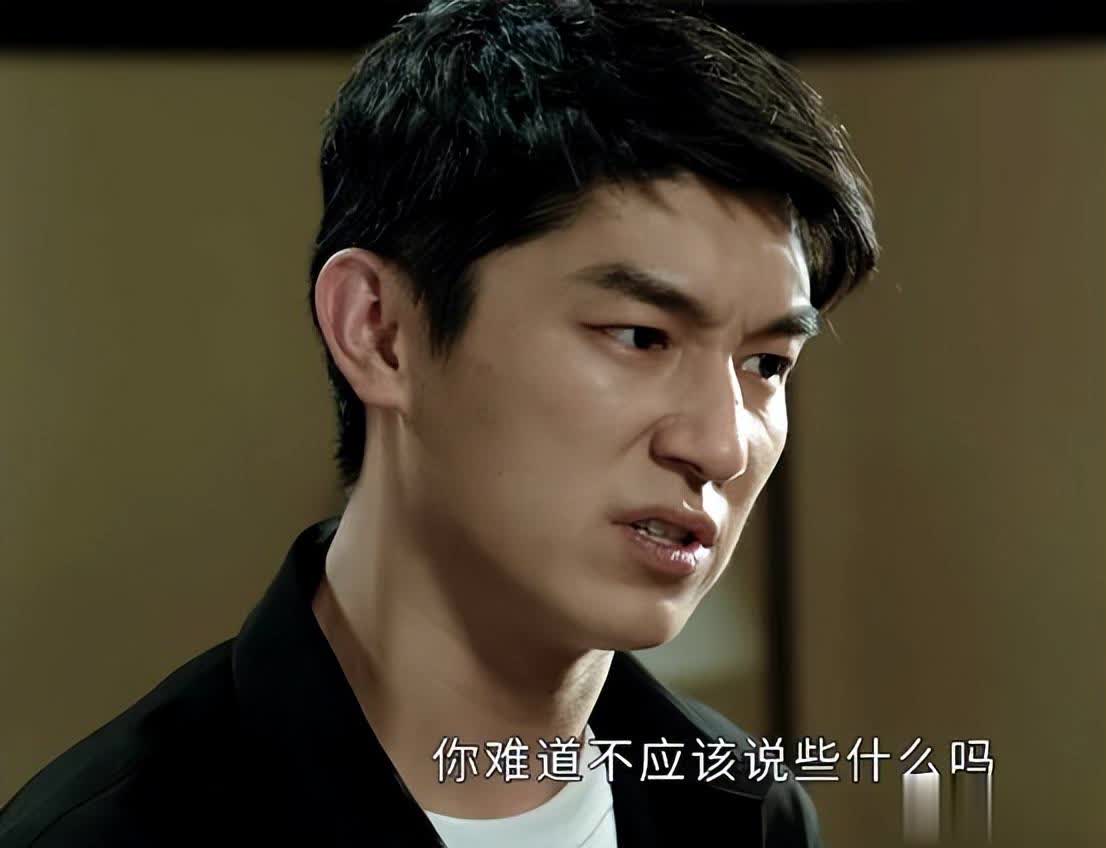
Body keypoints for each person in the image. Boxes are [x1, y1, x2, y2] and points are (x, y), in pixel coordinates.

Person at [0, 1, 878, 845]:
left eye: (766, 364)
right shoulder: (112, 834)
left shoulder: (743, 810)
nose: (720, 446)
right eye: (640, 336)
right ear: (380, 331)